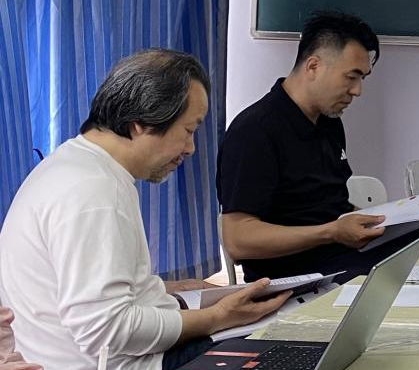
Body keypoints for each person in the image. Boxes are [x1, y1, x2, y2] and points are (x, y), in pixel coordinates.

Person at [0, 50, 288, 370]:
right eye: (188, 131)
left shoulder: (75, 164)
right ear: (140, 124)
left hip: (82, 353)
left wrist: (168, 291)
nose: (190, 148)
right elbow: (106, 332)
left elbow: (88, 292)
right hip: (107, 362)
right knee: (279, 347)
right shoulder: (95, 191)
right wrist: (217, 317)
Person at [218, 11, 419, 284]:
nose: (358, 90)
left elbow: (327, 204)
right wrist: (331, 232)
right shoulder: (256, 130)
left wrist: (393, 218)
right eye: (351, 77)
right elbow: (238, 240)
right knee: (406, 280)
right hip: (296, 277)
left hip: (342, 256)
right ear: (313, 66)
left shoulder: (329, 123)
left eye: (362, 79)